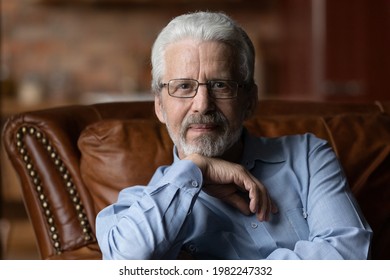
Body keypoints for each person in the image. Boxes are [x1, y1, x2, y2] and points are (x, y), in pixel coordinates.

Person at [95, 11, 372, 260]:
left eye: (220, 85)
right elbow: (124, 265)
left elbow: (349, 257)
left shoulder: (308, 157)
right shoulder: (133, 209)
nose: (202, 104)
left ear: (250, 100)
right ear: (159, 105)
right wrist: (195, 169)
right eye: (183, 86)